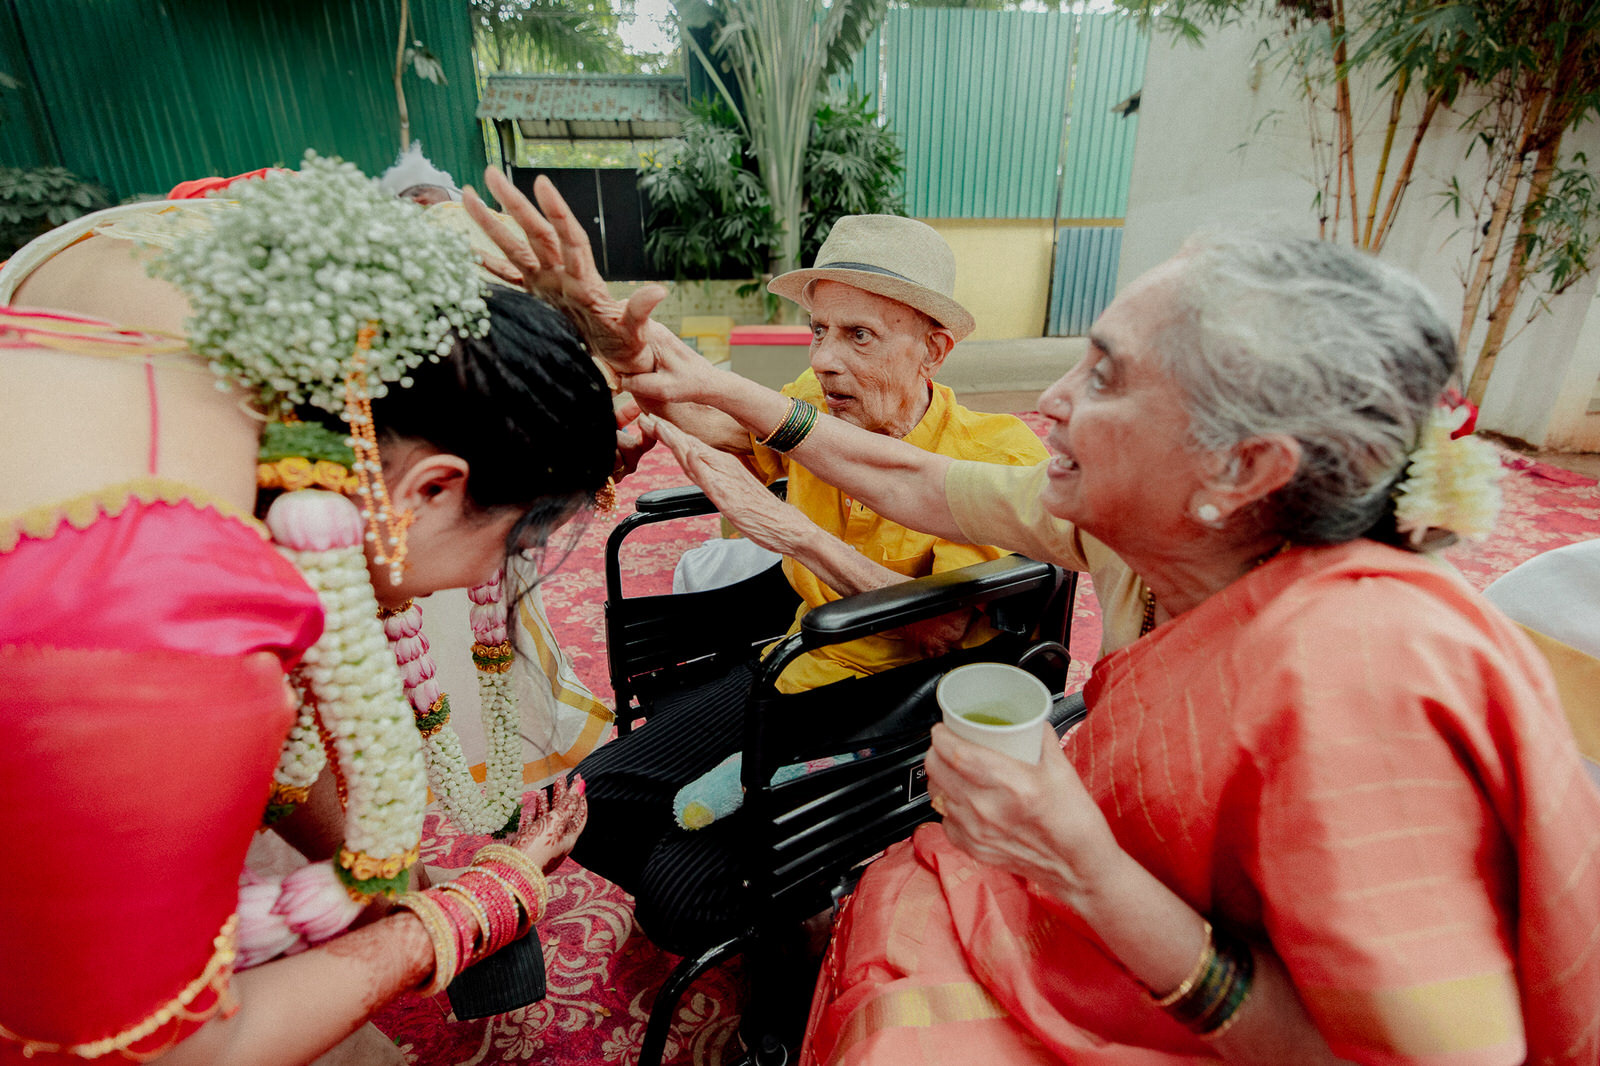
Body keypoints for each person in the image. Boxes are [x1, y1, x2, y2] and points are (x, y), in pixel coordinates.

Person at [487, 201, 1600, 1063]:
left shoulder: (1362, 681)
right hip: (1038, 881)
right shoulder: (1130, 524)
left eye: (1104, 372)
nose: (1052, 398)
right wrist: (677, 372)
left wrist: (1084, 866)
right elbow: (906, 476)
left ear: (1241, 468)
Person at [0, 162, 610, 1064]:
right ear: (430, 488)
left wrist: (402, 884)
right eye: (516, 545)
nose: (495, 575)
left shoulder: (229, 315)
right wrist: (470, 909)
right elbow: (181, 1054)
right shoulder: (166, 639)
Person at [465, 170, 1048, 957]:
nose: (827, 360)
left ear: (934, 350)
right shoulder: (818, 399)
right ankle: (772, 880)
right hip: (793, 663)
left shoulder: (996, 454)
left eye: (860, 336)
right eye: (819, 330)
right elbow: (714, 416)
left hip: (894, 702)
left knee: (673, 903)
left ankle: (810, 912)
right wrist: (613, 346)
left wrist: (792, 532)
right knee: (588, 804)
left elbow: (939, 629)